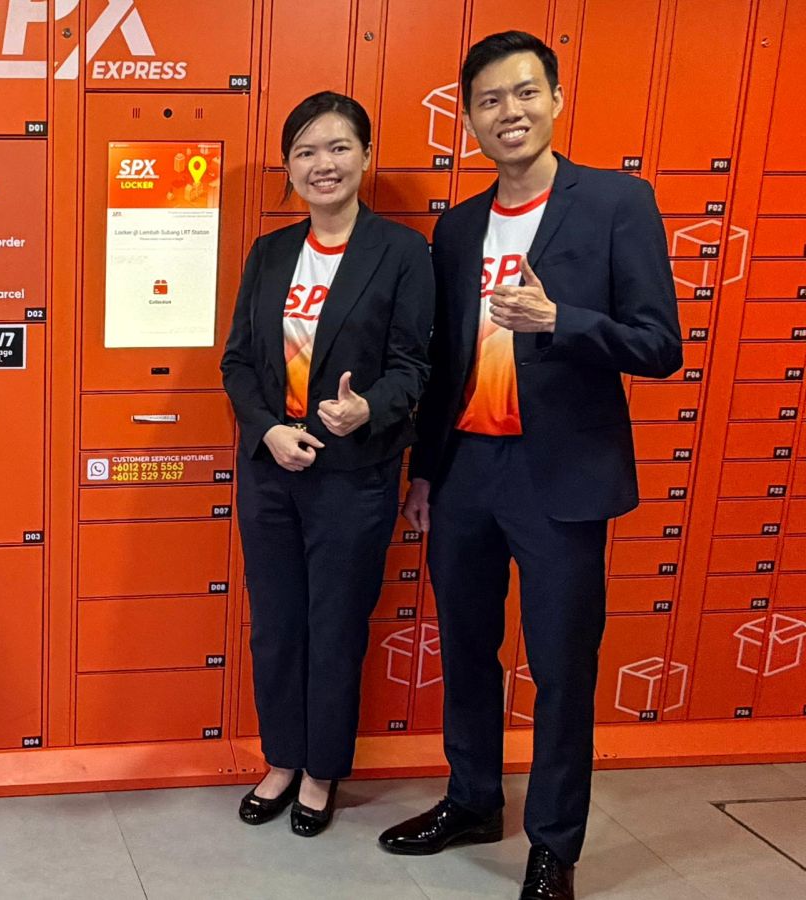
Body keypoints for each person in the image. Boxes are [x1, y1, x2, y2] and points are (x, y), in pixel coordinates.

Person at [376, 31, 682, 900]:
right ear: (469, 118)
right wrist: (425, 472)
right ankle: (472, 799)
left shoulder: (617, 202)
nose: (507, 112)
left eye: (523, 93)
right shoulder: (458, 226)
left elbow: (660, 345)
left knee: (561, 665)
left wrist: (562, 321)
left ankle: (554, 845)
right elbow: (443, 362)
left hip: (561, 477)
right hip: (467, 468)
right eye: (488, 100)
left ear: (554, 99)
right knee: (467, 647)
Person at [221, 91, 433, 837]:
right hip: (273, 469)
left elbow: (414, 366)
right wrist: (269, 431)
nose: (324, 164)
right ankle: (282, 758)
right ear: (289, 166)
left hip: (354, 475)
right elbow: (237, 361)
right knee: (277, 626)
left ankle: (321, 770)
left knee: (335, 626)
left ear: (365, 157)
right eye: (306, 151)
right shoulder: (271, 251)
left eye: (339, 147)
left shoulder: (401, 253)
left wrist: (367, 408)